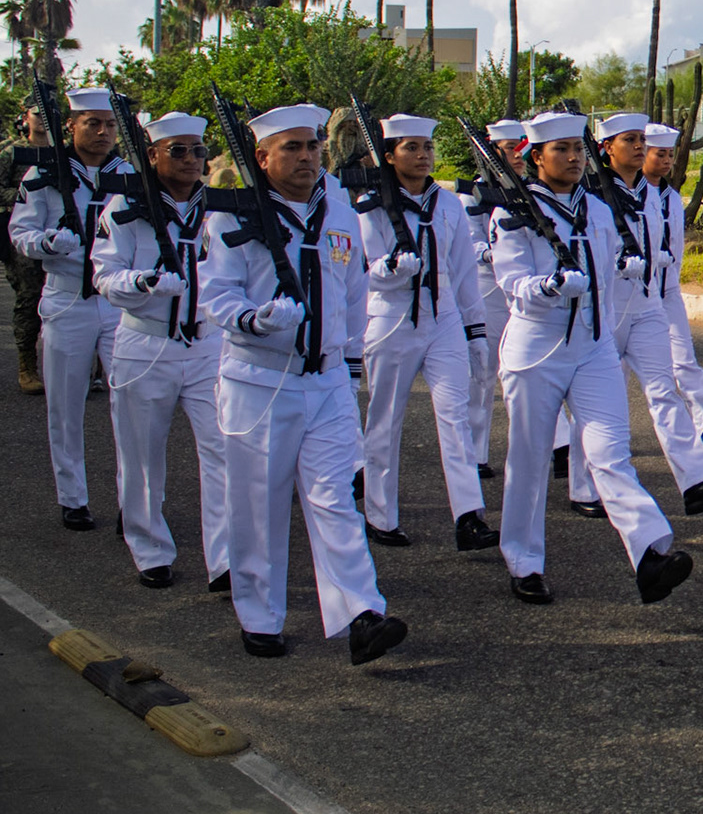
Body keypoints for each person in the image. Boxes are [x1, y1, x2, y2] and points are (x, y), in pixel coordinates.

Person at [199, 103, 406, 664]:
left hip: (326, 381)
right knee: (259, 505)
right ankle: (259, 616)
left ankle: (363, 612)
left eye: (313, 145)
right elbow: (215, 294)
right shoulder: (233, 215)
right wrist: (254, 319)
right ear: (261, 157)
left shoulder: (337, 210)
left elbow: (353, 290)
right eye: (292, 148)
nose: (307, 156)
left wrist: (351, 358)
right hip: (260, 380)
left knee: (334, 498)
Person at [489, 110, 693, 607]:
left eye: (579, 149)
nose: (575, 158)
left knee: (609, 453)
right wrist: (547, 287)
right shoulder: (513, 212)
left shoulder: (599, 210)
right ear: (535, 156)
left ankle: (648, 553)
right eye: (561, 150)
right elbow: (511, 282)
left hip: (594, 346)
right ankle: (524, 560)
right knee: (531, 460)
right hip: (538, 348)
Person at [93, 111, 228, 591]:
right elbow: (104, 275)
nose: (192, 160)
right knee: (143, 454)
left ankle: (226, 558)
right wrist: (142, 281)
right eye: (178, 150)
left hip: (206, 344)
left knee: (222, 449)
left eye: (198, 151)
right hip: (146, 341)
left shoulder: (219, 208)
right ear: (151, 156)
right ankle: (149, 546)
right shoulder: (126, 209)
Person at [354, 114, 498, 552]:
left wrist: (475, 331)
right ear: (390, 155)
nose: (421, 155)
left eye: (427, 147)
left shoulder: (448, 204)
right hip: (392, 320)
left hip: (444, 320)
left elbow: (463, 275)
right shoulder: (371, 205)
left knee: (454, 419)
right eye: (411, 147)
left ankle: (469, 516)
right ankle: (380, 515)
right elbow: (366, 271)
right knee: (385, 420)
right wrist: (390, 269)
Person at [580, 113, 703, 517]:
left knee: (664, 390)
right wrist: (615, 262)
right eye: (629, 140)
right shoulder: (591, 193)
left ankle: (696, 479)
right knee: (602, 402)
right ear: (607, 148)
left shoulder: (648, 193)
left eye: (641, 140)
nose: (639, 147)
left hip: (647, 303)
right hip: (607, 306)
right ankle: (583, 486)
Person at [9, 86, 133, 530]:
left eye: (109, 124)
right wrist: (45, 242)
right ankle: (73, 497)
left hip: (120, 305)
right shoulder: (43, 174)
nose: (102, 132)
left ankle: (132, 503)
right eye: (92, 124)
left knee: (132, 406)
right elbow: (20, 230)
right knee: (65, 406)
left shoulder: (132, 175)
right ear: (71, 126)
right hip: (67, 300)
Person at [644, 130, 703, 460]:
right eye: (659, 154)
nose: (667, 161)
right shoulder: (626, 197)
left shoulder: (670, 196)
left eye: (669, 154)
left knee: (683, 360)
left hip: (668, 291)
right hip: (634, 295)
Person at [464, 118, 525, 482]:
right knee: (482, 374)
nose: (516, 156)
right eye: (508, 149)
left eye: (521, 148)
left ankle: (556, 446)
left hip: (522, 294)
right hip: (486, 289)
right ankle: (475, 452)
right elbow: (467, 240)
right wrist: (491, 253)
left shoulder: (530, 191)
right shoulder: (469, 193)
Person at [2, 105, 50, 394]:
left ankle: (90, 370)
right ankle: (27, 366)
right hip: (25, 235)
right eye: (37, 112)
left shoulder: (65, 152)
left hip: (63, 233)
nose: (43, 117)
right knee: (30, 299)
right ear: (25, 117)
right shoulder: (13, 152)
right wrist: (27, 193)